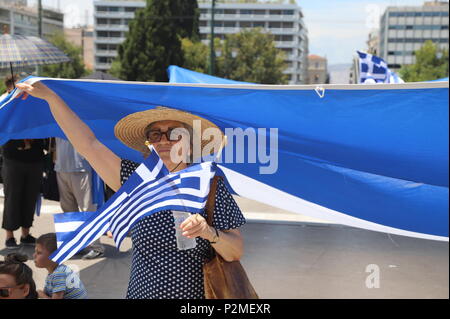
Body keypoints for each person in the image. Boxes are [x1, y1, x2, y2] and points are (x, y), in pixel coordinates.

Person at [16, 81, 246, 299]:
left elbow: (234, 251)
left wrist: (207, 232)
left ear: (189, 141)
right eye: (156, 134)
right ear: (149, 143)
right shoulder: (135, 179)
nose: (164, 139)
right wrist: (51, 98)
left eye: (174, 133)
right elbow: (87, 144)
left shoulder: (209, 183)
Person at [1, 76, 47, 249]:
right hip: (13, 158)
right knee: (13, 197)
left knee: (29, 197)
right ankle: (9, 235)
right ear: (10, 89)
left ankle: (26, 234)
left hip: (34, 159)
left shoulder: (32, 105)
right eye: (18, 89)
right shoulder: (4, 104)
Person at [54, 137, 104, 259]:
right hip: (61, 167)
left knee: (88, 209)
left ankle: (96, 247)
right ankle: (74, 245)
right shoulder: (56, 119)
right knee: (68, 210)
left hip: (82, 167)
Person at [34, 233, 88, 299]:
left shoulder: (59, 274)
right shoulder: (55, 271)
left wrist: (41, 294)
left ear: (54, 256)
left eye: (39, 252)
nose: (34, 255)